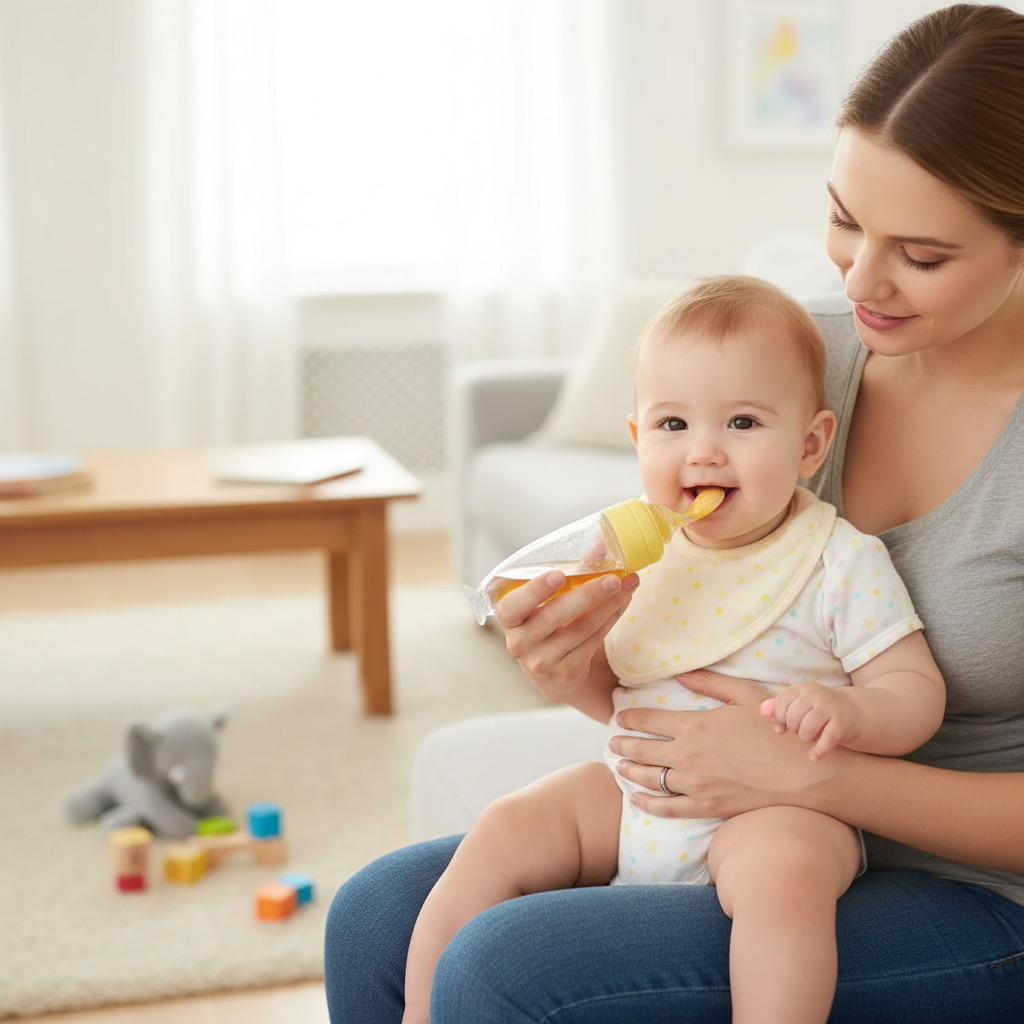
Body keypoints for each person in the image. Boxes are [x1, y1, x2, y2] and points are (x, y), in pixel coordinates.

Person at [324, 6, 1024, 1021]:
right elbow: (709, 663)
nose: (860, 277)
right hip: (732, 815)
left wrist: (815, 780)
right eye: (844, 219)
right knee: (374, 915)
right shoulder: (795, 358)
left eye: (920, 253)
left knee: (504, 970)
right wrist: (581, 669)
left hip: (974, 890)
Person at [400, 276, 946, 1024]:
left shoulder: (835, 559)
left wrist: (850, 712)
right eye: (673, 424)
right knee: (506, 825)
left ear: (810, 444)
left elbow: (915, 691)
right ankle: (421, 1012)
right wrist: (567, 666)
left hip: (778, 809)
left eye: (743, 422)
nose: (704, 451)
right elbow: (626, 693)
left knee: (783, 874)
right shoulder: (642, 562)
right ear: (637, 439)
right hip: (639, 800)